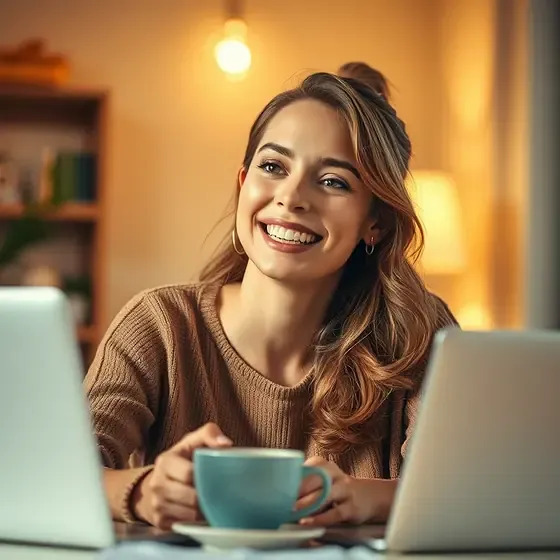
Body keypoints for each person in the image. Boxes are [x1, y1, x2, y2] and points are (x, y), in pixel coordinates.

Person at [85, 69, 458, 531]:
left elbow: (467, 492)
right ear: (243, 183)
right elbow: (64, 471)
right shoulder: (159, 324)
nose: (291, 197)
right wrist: (141, 492)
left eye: (334, 181)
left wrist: (365, 499)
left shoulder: (418, 331)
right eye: (273, 167)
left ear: (374, 223)